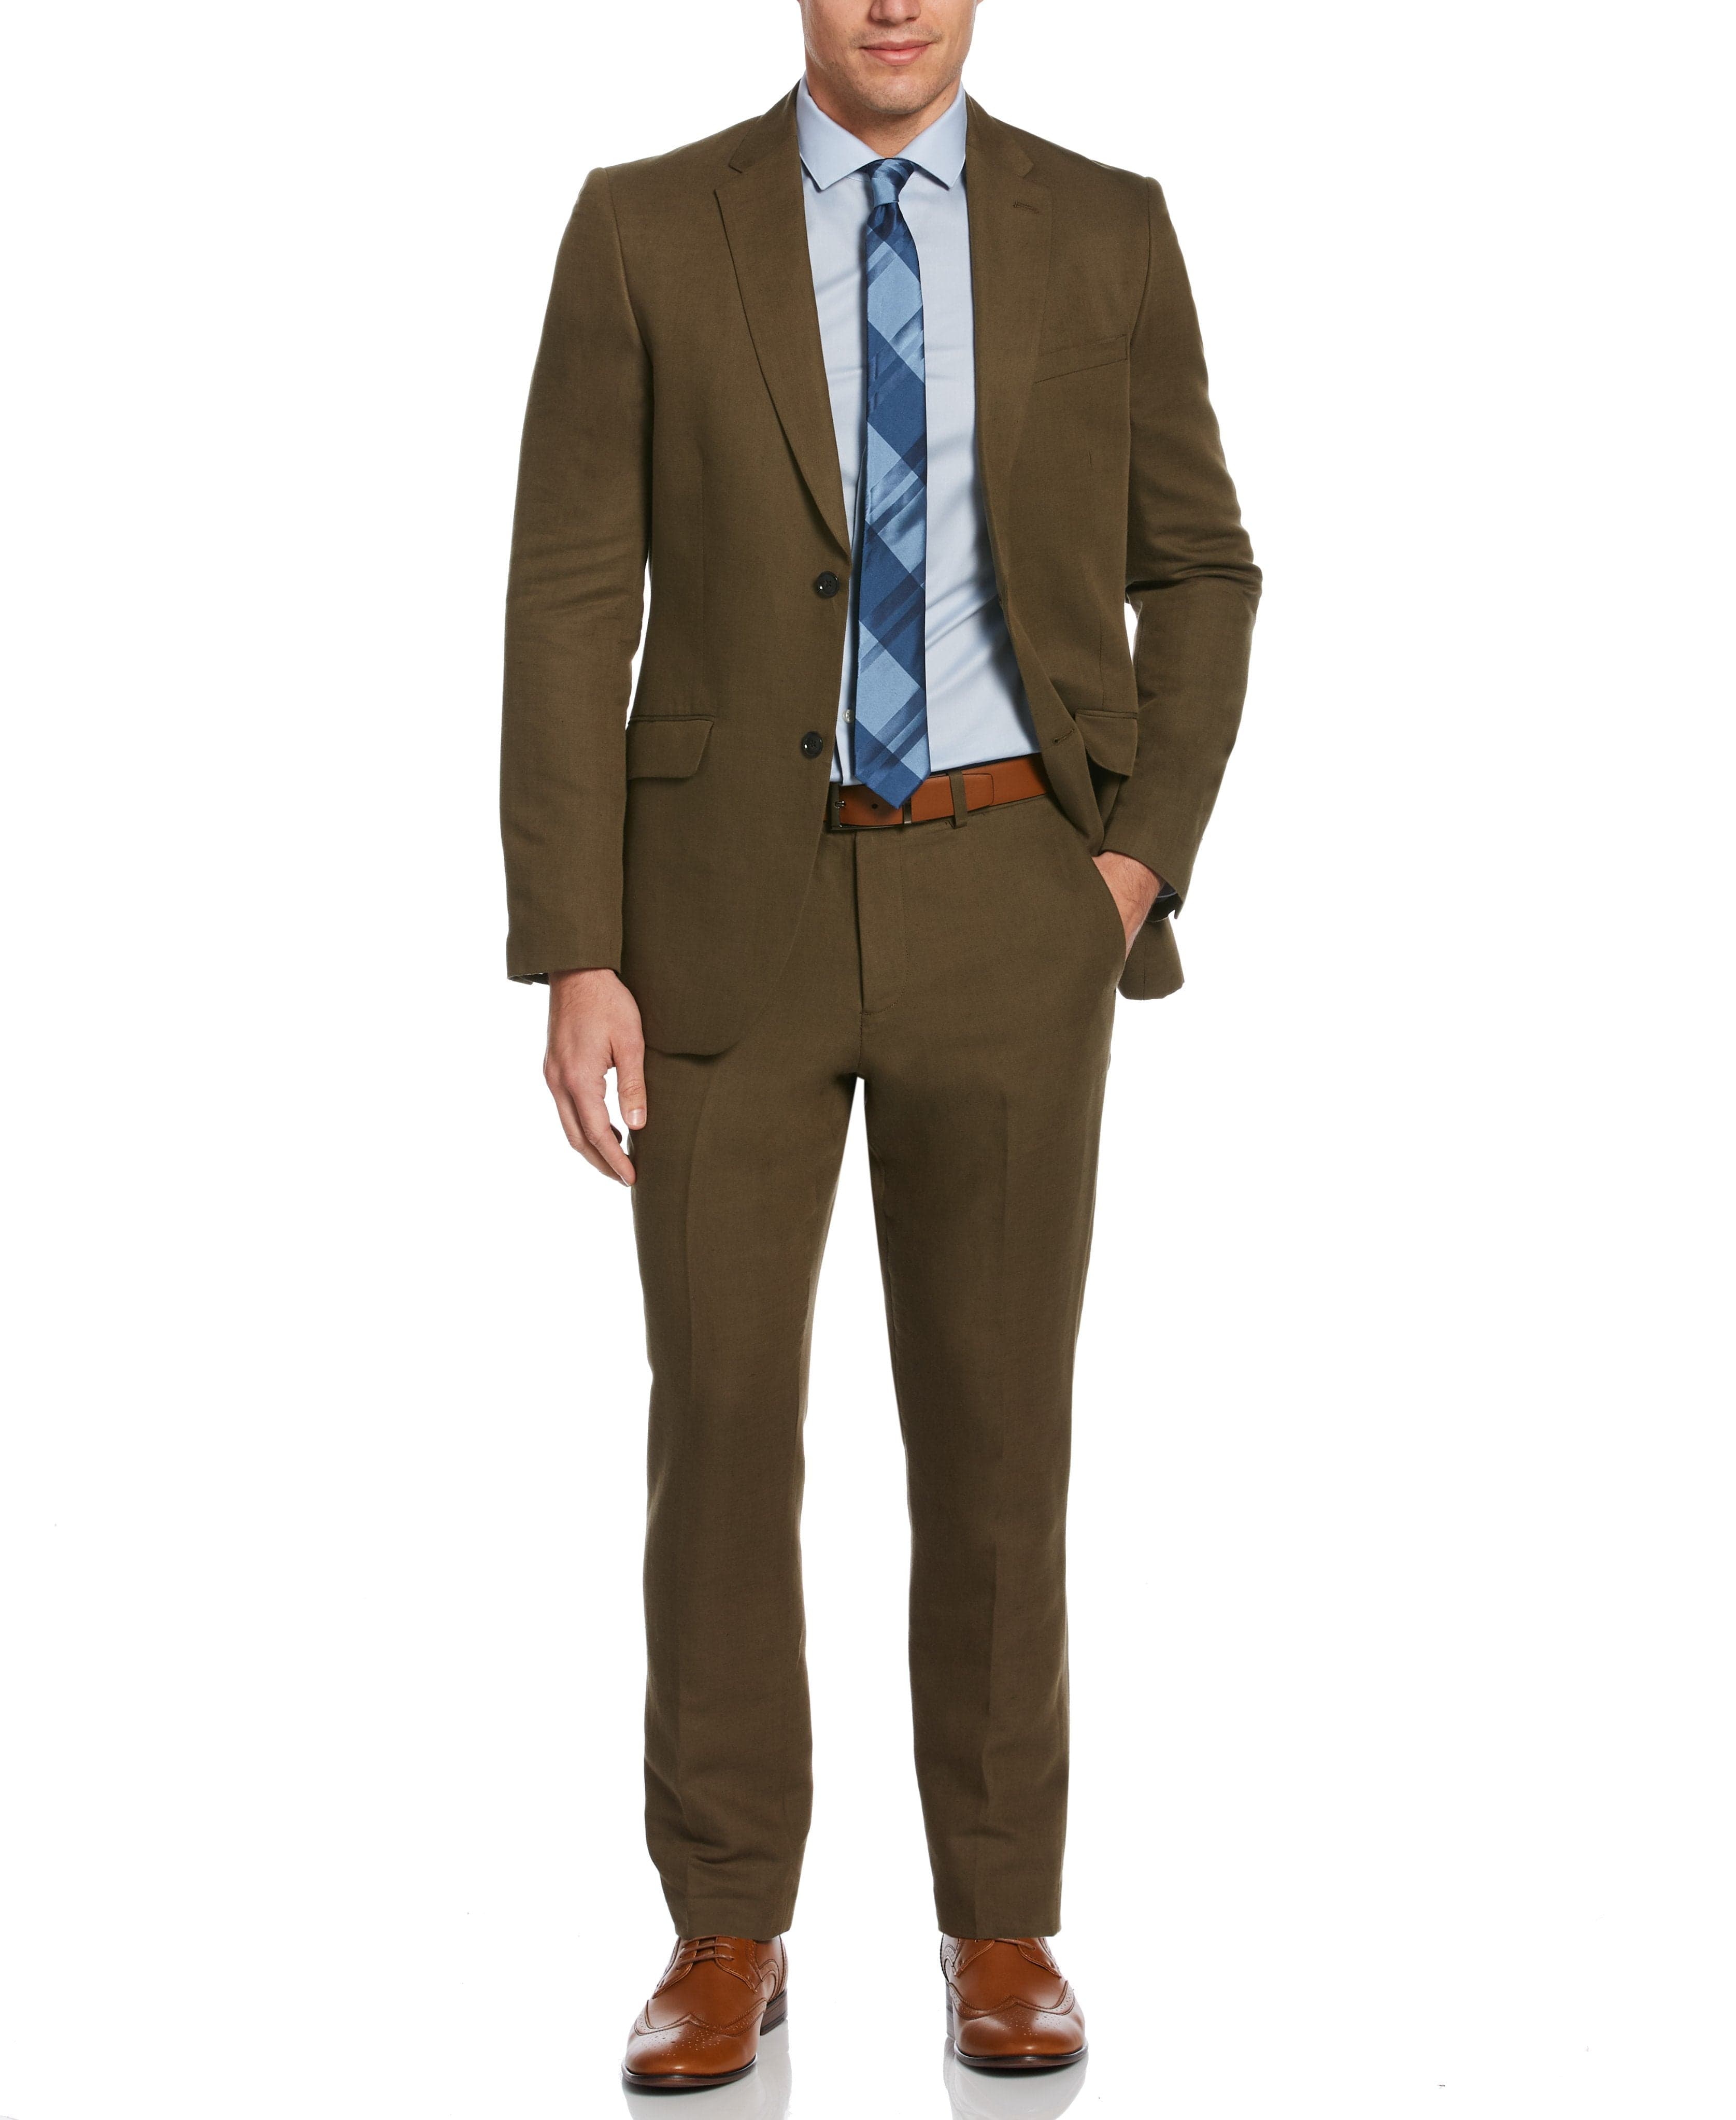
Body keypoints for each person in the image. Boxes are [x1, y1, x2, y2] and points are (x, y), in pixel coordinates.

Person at [501, 0, 1258, 2091]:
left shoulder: (1107, 228)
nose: (894, 4)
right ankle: (724, 1925)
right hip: (715, 924)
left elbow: (1201, 566)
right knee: (724, 1424)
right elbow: (568, 593)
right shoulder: (645, 228)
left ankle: (1000, 1920)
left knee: (1000, 1437)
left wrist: (1130, 868)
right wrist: (575, 948)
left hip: (1015, 897)